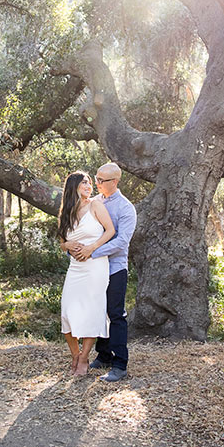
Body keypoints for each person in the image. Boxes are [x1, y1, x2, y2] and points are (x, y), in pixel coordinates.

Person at [70, 162, 136, 383]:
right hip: (92, 268)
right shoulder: (94, 202)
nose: (96, 183)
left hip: (115, 268)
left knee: (115, 314)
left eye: (101, 180)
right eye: (95, 179)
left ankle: (120, 364)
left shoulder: (126, 208)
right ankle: (104, 355)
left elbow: (121, 241)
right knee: (98, 311)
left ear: (114, 182)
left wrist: (93, 251)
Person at [58, 171, 115, 378]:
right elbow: (62, 243)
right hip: (75, 268)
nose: (89, 185)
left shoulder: (95, 205)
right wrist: (67, 245)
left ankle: (84, 358)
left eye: (90, 182)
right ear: (73, 186)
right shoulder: (67, 211)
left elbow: (110, 231)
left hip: (95, 267)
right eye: (84, 182)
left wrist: (92, 247)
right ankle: (75, 354)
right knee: (67, 312)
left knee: (92, 312)